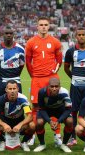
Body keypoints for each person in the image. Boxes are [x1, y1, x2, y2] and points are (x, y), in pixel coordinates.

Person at [25, 16, 62, 145]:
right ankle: (34, 134)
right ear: (37, 26)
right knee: (36, 107)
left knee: (56, 106)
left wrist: (53, 72)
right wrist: (33, 75)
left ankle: (57, 135)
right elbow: (28, 62)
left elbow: (59, 60)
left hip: (51, 79)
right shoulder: (31, 42)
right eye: (41, 25)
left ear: (49, 26)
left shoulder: (55, 42)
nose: (43, 27)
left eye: (46, 25)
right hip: (37, 79)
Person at [0, 26, 25, 147]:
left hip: (16, 80)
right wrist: (0, 77)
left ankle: (19, 133)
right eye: (6, 33)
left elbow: (21, 65)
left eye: (10, 33)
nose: (8, 35)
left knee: (20, 106)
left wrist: (14, 77)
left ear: (13, 34)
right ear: (3, 34)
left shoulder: (20, 49)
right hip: (1, 81)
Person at [64, 27, 85, 146]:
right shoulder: (70, 51)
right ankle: (73, 137)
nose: (81, 36)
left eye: (83, 34)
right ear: (76, 36)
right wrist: (74, 78)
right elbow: (66, 68)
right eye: (79, 35)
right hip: (75, 86)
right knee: (74, 111)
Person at [0, 80, 35, 152]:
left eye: (14, 88)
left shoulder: (23, 100)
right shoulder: (1, 99)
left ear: (18, 89)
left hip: (19, 125)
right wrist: (4, 125)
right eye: (10, 89)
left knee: (32, 125)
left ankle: (24, 142)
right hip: (5, 125)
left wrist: (20, 124)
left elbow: (30, 116)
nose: (12, 91)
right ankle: (2, 141)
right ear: (6, 90)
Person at [33, 78, 73, 153]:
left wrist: (58, 121)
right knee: (39, 122)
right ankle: (42, 144)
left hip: (60, 110)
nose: (54, 89)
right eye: (52, 86)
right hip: (46, 110)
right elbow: (41, 109)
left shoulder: (64, 92)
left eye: (56, 86)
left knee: (70, 121)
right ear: (48, 86)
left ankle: (64, 144)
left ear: (59, 87)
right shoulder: (42, 92)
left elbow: (68, 109)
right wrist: (49, 121)